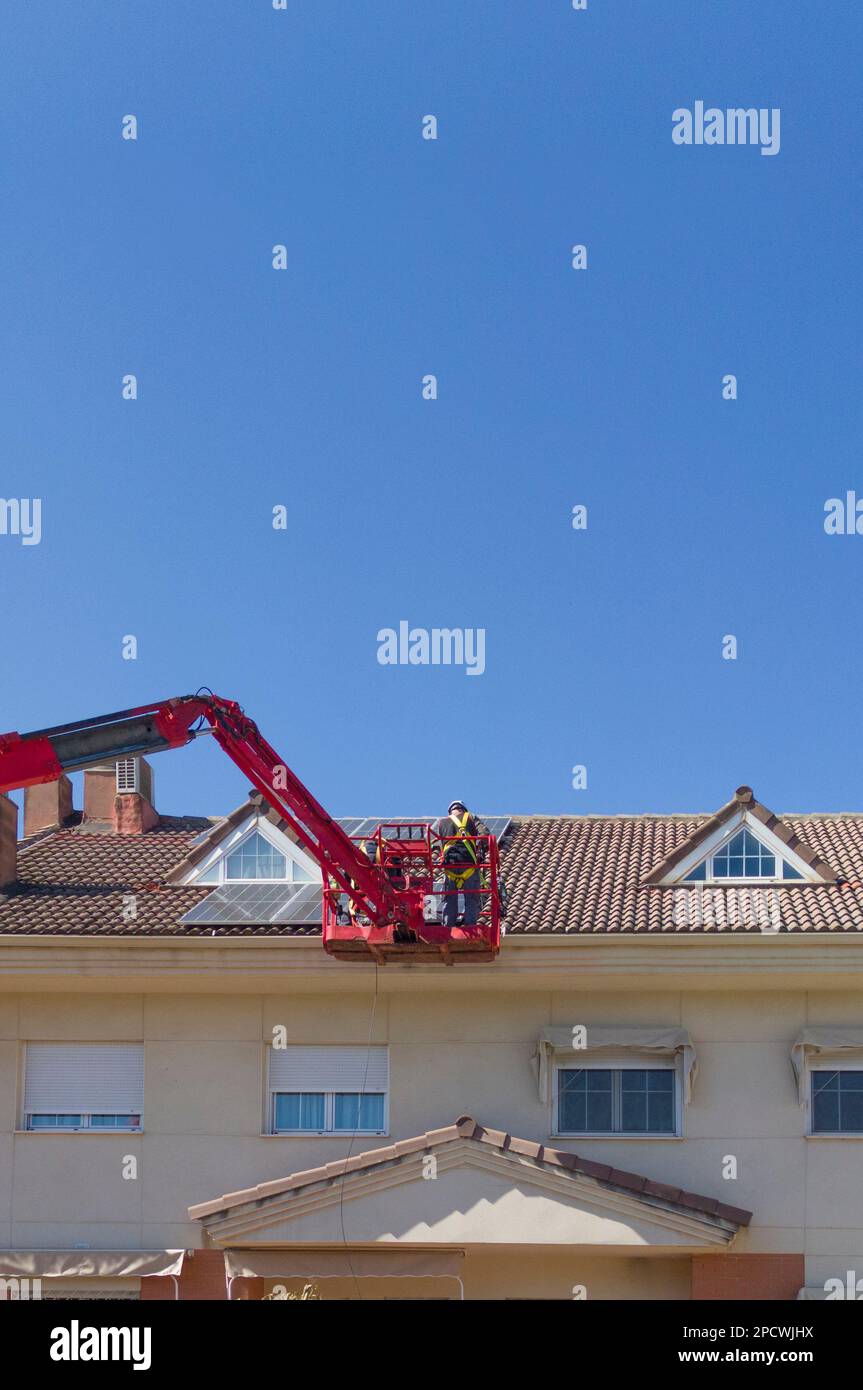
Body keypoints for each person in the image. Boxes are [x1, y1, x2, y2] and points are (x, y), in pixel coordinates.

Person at [435, 800, 490, 927]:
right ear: (463, 810)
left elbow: (436, 845)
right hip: (469, 864)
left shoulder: (442, 822)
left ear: (450, 811)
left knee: (450, 898)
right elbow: (485, 835)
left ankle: (448, 927)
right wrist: (480, 848)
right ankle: (470, 926)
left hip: (450, 867)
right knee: (471, 898)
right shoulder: (470, 817)